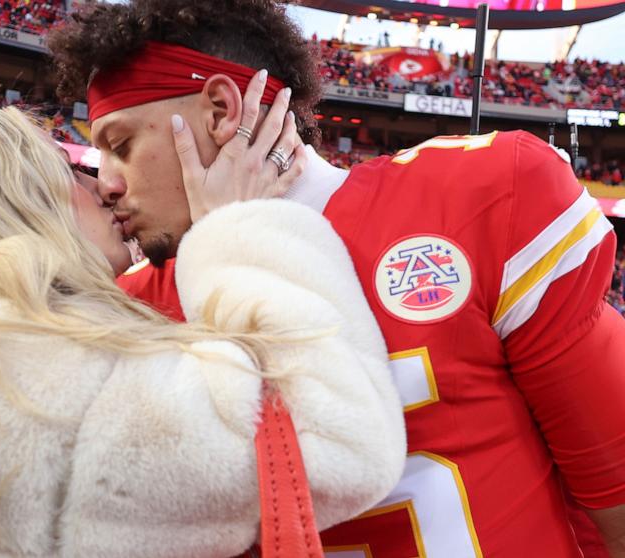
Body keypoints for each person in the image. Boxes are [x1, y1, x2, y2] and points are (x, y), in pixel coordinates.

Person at [46, 0, 625, 556]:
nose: (107, 182)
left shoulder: (478, 197)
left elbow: (616, 503)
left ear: (221, 112)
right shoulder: (131, 307)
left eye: (120, 146)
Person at [0, 107, 406, 557]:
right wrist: (237, 227)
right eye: (68, 170)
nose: (104, 186)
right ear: (18, 203)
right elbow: (339, 443)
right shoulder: (47, 381)